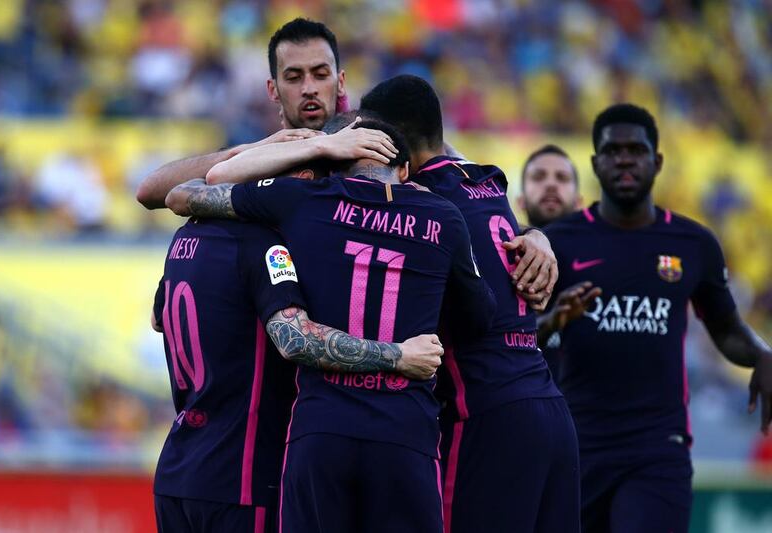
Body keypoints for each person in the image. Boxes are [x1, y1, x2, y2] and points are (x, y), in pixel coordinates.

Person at [165, 114, 496, 533]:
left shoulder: (305, 199)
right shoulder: (443, 216)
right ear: (406, 169)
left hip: (321, 432)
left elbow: (188, 193)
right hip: (404, 434)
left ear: (339, 157)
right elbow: (479, 318)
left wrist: (316, 146)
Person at [152, 177, 443, 531]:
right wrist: (397, 355)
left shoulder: (184, 239)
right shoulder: (265, 247)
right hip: (239, 476)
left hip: (178, 468)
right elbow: (294, 339)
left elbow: (157, 318)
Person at [360, 75, 580, 533]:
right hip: (551, 411)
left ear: (390, 141)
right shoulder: (488, 184)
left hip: (485, 416)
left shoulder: (419, 206)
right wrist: (535, 232)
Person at [541, 103, 772, 533]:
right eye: (612, 151)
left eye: (636, 149)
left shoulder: (693, 243)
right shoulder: (559, 242)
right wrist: (553, 321)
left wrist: (763, 354)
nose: (625, 159)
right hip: (578, 445)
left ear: (657, 161)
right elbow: (518, 337)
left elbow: (726, 330)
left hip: (658, 447)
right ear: (595, 163)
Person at [136, 18, 346, 209]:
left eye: (320, 75)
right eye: (293, 77)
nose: (309, 88)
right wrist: (256, 148)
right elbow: (148, 191)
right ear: (273, 90)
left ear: (341, 83)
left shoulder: (361, 155)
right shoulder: (251, 163)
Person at [517, 144, 595, 378]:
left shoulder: (600, 260)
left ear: (580, 202)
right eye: (538, 177)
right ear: (520, 201)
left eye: (562, 178)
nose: (551, 184)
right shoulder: (498, 255)